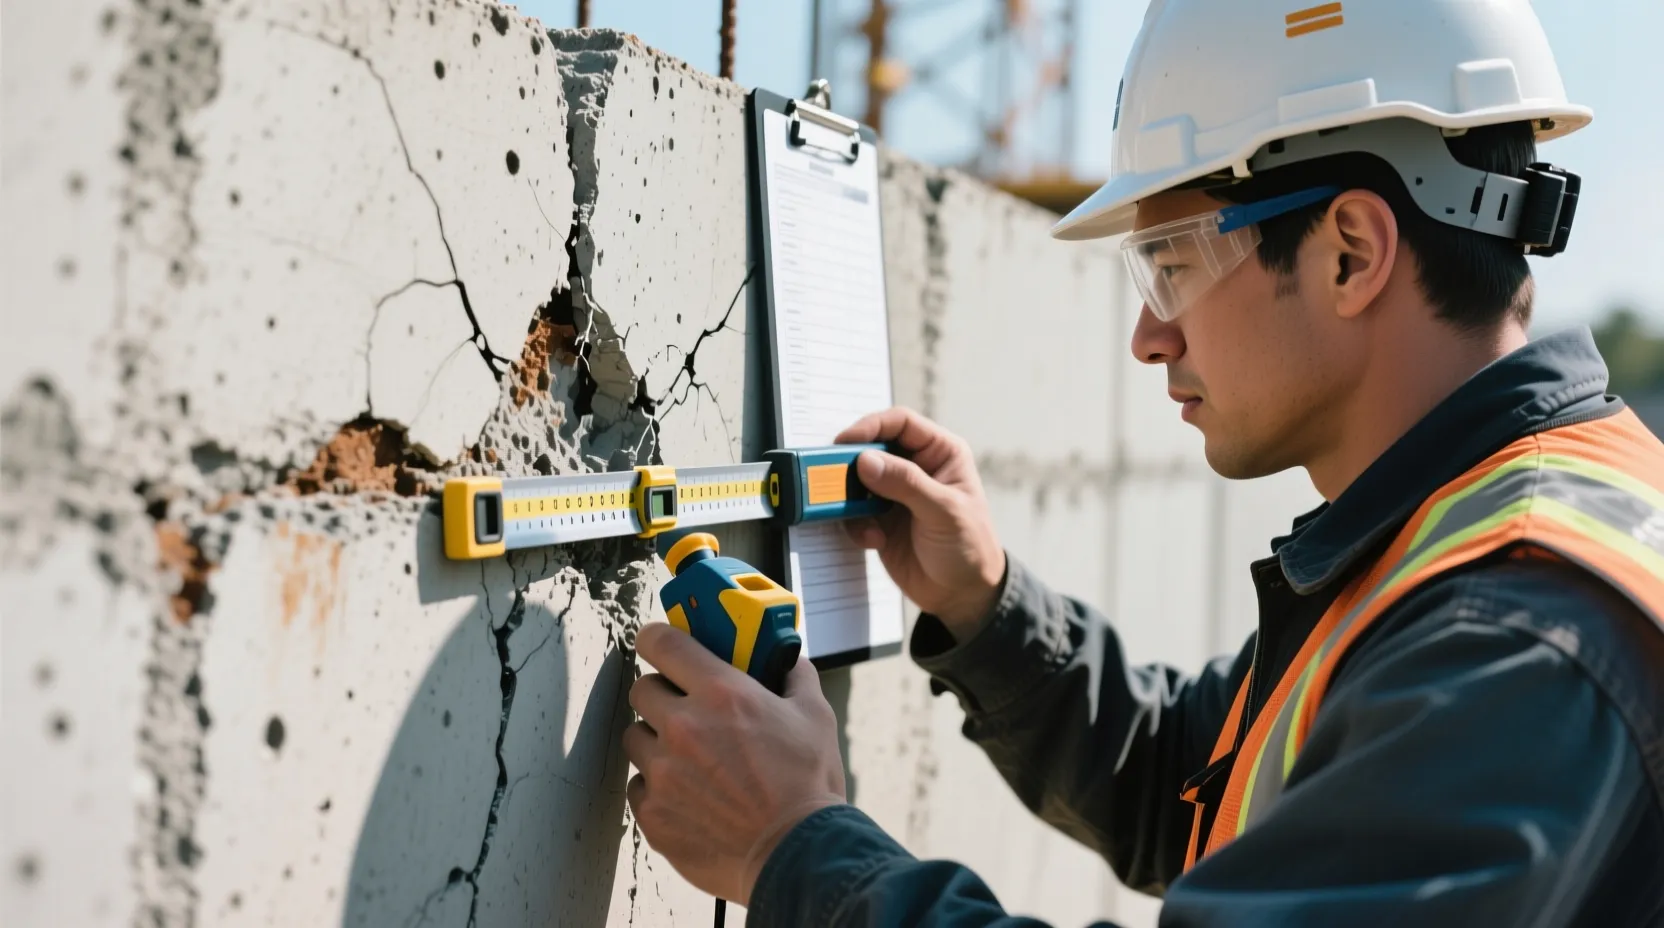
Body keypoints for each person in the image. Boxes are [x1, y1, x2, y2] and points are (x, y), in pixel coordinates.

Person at [620, 0, 1664, 924]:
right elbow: (1197, 781)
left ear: (1349, 250)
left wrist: (792, 851)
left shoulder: (1514, 641)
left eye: (1168, 263)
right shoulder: (1478, 539)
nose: (1147, 336)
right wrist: (987, 611)